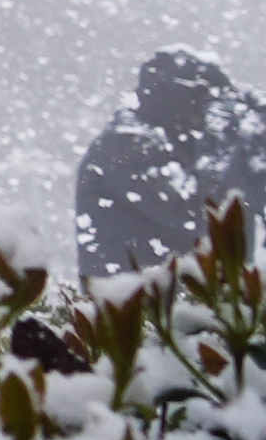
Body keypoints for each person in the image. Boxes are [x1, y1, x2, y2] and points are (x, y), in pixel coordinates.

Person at [74, 48, 266, 275]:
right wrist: (232, 142)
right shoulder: (124, 143)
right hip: (136, 302)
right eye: (203, 100)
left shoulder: (180, 141)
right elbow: (194, 209)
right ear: (176, 98)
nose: (206, 113)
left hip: (183, 297)